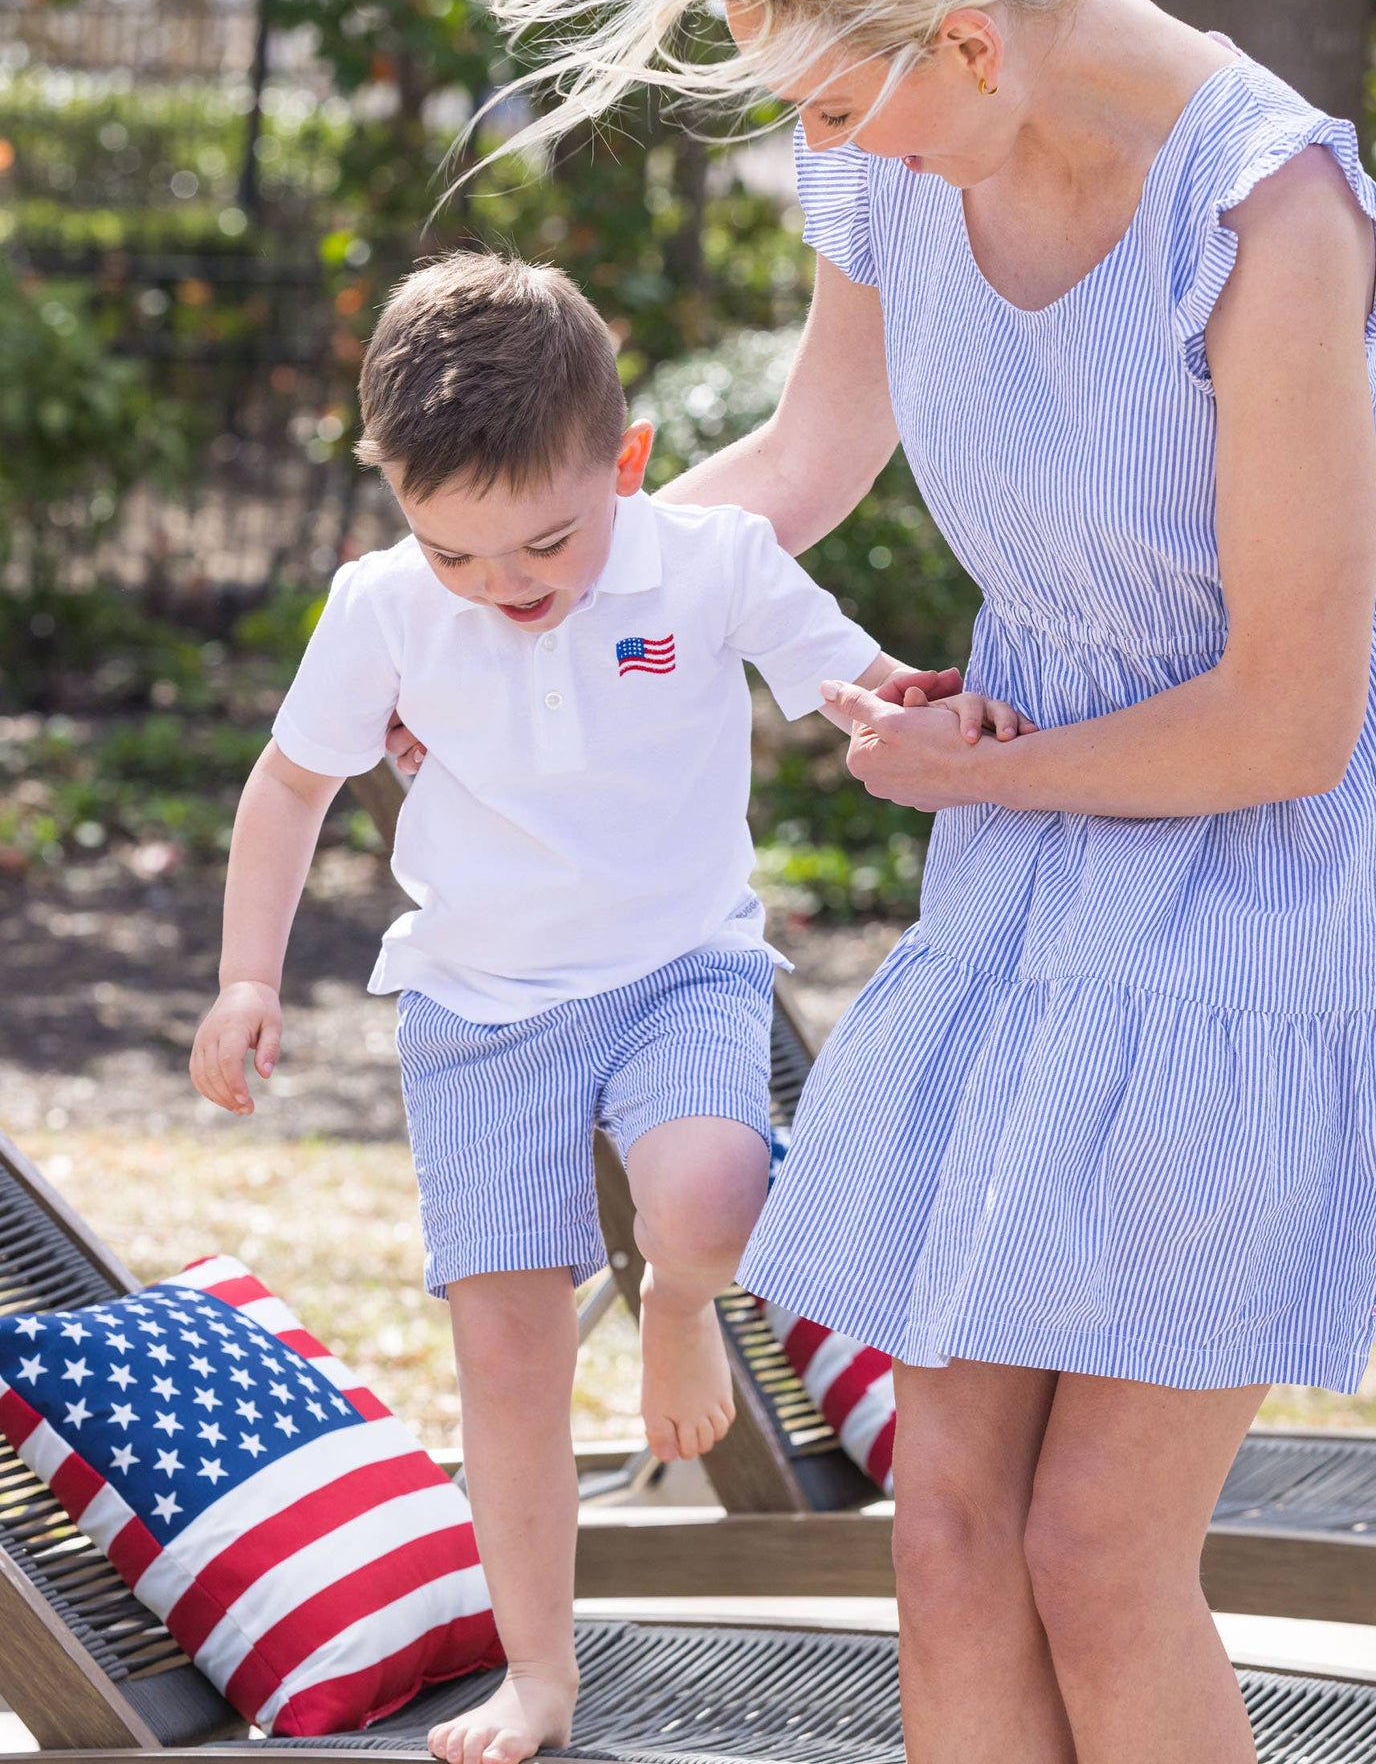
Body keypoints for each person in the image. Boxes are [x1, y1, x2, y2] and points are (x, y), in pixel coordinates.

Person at [420, 0, 1376, 1759]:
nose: (830, 155)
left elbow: (1290, 725)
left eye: (831, 100)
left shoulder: (1267, 210)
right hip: (1035, 844)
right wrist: (505, 621)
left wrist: (958, 770)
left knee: (1095, 1549)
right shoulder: (891, 138)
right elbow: (810, 454)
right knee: (953, 1529)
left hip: (1260, 878)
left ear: (965, 42)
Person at [189, 251, 1017, 1764]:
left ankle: (682, 1305)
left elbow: (850, 678)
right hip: (476, 1014)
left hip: (673, 969)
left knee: (702, 1202)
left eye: (545, 543)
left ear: (624, 467)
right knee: (506, 1362)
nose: (501, 586)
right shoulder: (381, 606)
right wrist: (249, 974)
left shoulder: (703, 561)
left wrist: (915, 708)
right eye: (456, 552)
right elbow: (293, 780)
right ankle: (541, 1678)